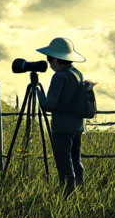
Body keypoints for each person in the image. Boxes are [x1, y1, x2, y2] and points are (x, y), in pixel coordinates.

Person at [34, 37, 86, 198]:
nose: (49, 63)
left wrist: (37, 91)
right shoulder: (77, 73)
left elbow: (49, 105)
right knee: (76, 160)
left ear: (55, 59)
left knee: (64, 161)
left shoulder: (59, 76)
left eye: (49, 59)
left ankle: (67, 195)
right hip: (77, 125)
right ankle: (80, 191)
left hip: (62, 126)